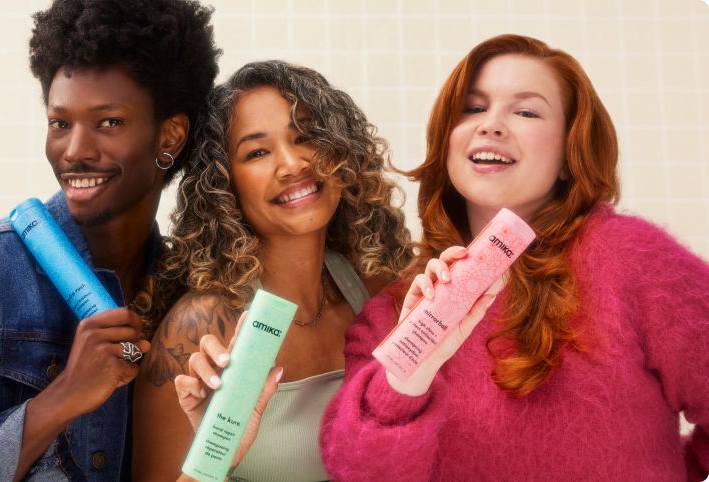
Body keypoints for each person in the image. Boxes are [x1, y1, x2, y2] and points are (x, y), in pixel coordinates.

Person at [319, 34, 709, 480]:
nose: (492, 125)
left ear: (569, 153)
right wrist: (412, 369)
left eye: (526, 111)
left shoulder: (637, 262)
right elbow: (359, 474)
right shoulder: (394, 314)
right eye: (473, 107)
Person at [0, 0, 220, 480]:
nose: (75, 151)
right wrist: (64, 396)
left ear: (169, 136)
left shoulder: (186, 294)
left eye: (108, 122)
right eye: (60, 123)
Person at [132, 60, 413, 481]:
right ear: (225, 185)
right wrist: (216, 455)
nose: (292, 164)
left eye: (306, 137)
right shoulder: (201, 329)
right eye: (257, 152)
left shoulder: (376, 293)